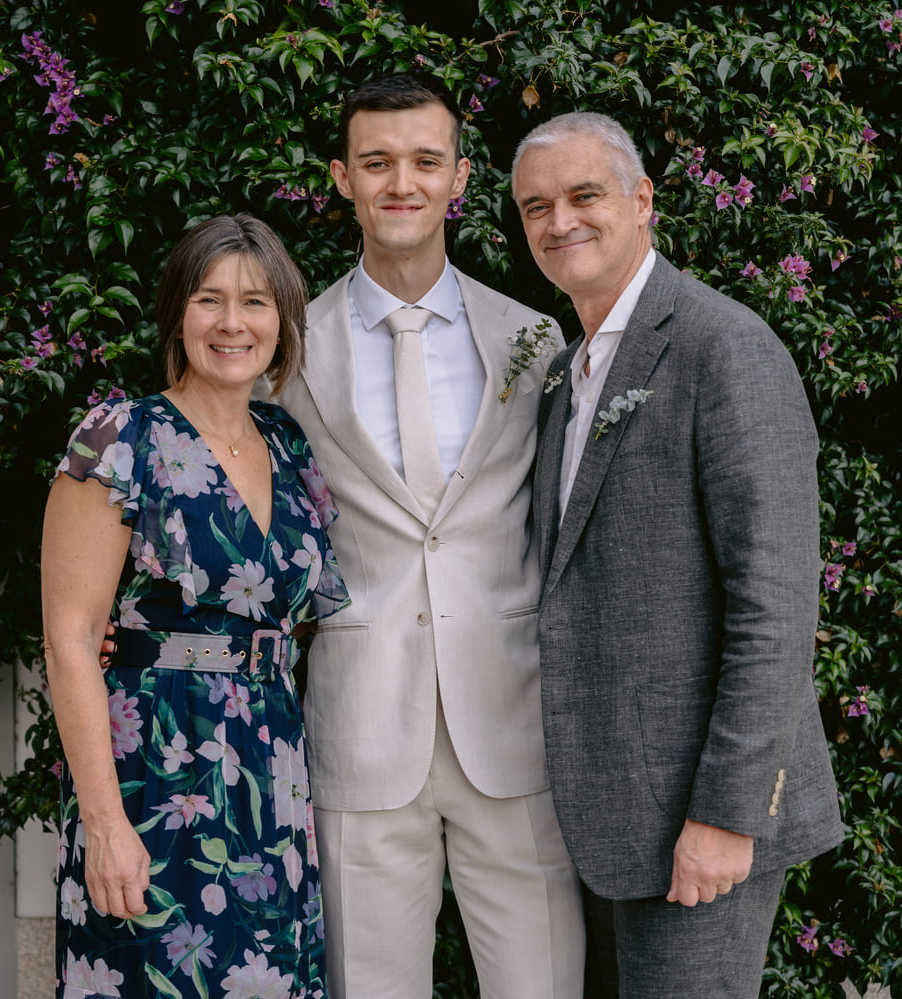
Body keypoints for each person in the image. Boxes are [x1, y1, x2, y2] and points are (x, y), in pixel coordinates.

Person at [511, 111, 844, 997]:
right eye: (536, 206)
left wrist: (727, 813)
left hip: (698, 817)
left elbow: (775, 605)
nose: (560, 221)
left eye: (584, 195)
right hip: (603, 815)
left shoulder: (722, 347)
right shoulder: (564, 374)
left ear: (642, 200)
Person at [269, 74, 585, 998]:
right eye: (376, 162)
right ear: (343, 178)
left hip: (513, 726)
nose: (401, 182)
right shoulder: (288, 349)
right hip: (361, 728)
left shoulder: (534, 338)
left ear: (459, 176)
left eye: (423, 160)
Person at [41, 213, 349, 999]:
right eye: (210, 299)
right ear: (178, 312)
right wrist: (106, 823)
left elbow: (294, 616)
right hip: (155, 767)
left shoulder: (287, 444)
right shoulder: (119, 438)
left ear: (282, 321)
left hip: (269, 769)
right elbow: (71, 639)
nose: (232, 322)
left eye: (255, 302)